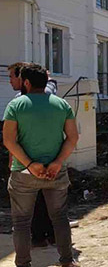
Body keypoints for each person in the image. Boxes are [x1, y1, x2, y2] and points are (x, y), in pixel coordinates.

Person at [4, 64, 79, 267]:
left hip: (23, 174)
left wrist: (29, 164)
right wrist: (57, 162)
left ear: (26, 83)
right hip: (55, 173)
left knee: (21, 222)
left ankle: (23, 264)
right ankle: (67, 261)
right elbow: (72, 138)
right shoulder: (62, 105)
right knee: (60, 218)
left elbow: (9, 141)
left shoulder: (15, 106)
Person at [7, 62, 58, 248]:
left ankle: (38, 237)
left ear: (24, 80)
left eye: (12, 77)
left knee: (32, 201)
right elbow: (52, 84)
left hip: (28, 158)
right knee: (49, 198)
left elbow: (12, 137)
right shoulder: (49, 96)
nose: (10, 81)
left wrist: (13, 159)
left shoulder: (18, 102)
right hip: (49, 156)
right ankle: (51, 235)